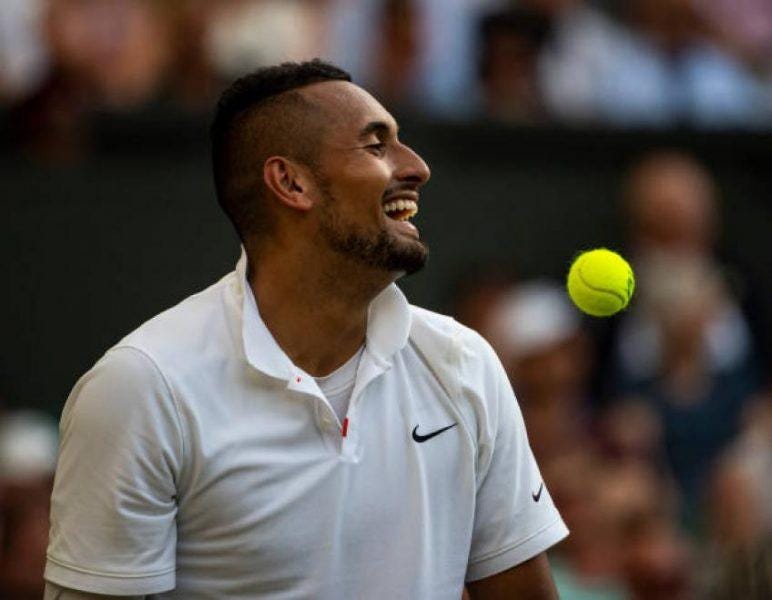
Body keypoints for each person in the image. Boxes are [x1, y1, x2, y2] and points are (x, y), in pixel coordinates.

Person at [44, 60, 568, 599]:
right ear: (291, 182)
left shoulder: (465, 365)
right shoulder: (141, 389)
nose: (417, 167)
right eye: (376, 144)